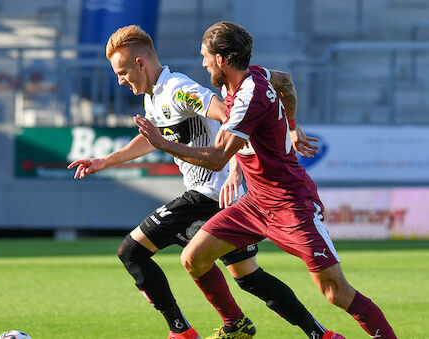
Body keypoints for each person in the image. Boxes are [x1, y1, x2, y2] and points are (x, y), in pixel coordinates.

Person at [69, 25, 341, 339]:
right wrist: (103, 161)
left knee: (132, 251)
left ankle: (181, 332)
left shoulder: (178, 88)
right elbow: (152, 141)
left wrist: (237, 165)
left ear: (140, 64)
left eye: (122, 71)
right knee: (248, 276)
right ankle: (319, 333)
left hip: (210, 192)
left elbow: (230, 114)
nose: (120, 80)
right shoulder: (154, 98)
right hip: (224, 197)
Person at [134, 21, 396, 339]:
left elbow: (217, 156)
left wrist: (163, 144)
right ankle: (237, 327)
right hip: (255, 202)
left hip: (291, 204)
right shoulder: (255, 73)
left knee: (336, 292)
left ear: (221, 60)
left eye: (205, 56)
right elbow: (285, 81)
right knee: (195, 257)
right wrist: (294, 126)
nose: (202, 63)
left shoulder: (246, 99)